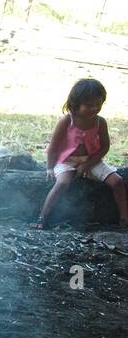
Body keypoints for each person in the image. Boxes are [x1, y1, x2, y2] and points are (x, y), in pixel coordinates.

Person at [36, 77, 127, 228]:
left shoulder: (100, 122)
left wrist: (87, 165)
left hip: (92, 160)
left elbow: (105, 147)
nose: (94, 108)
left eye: (98, 104)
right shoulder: (67, 120)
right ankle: (42, 217)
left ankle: (124, 218)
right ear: (76, 103)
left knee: (117, 182)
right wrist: (50, 167)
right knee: (62, 183)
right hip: (66, 160)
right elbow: (53, 147)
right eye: (89, 105)